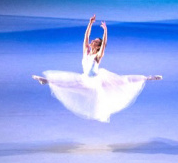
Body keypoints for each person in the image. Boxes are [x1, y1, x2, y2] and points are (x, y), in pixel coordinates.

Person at [33, 15, 161, 122]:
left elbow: (104, 44)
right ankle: (47, 81)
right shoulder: (86, 52)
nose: (92, 40)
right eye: (93, 39)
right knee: (68, 83)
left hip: (96, 82)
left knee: (123, 81)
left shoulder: (97, 56)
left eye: (95, 40)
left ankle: (149, 77)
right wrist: (90, 23)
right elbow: (86, 38)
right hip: (85, 80)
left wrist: (105, 31)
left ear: (97, 45)